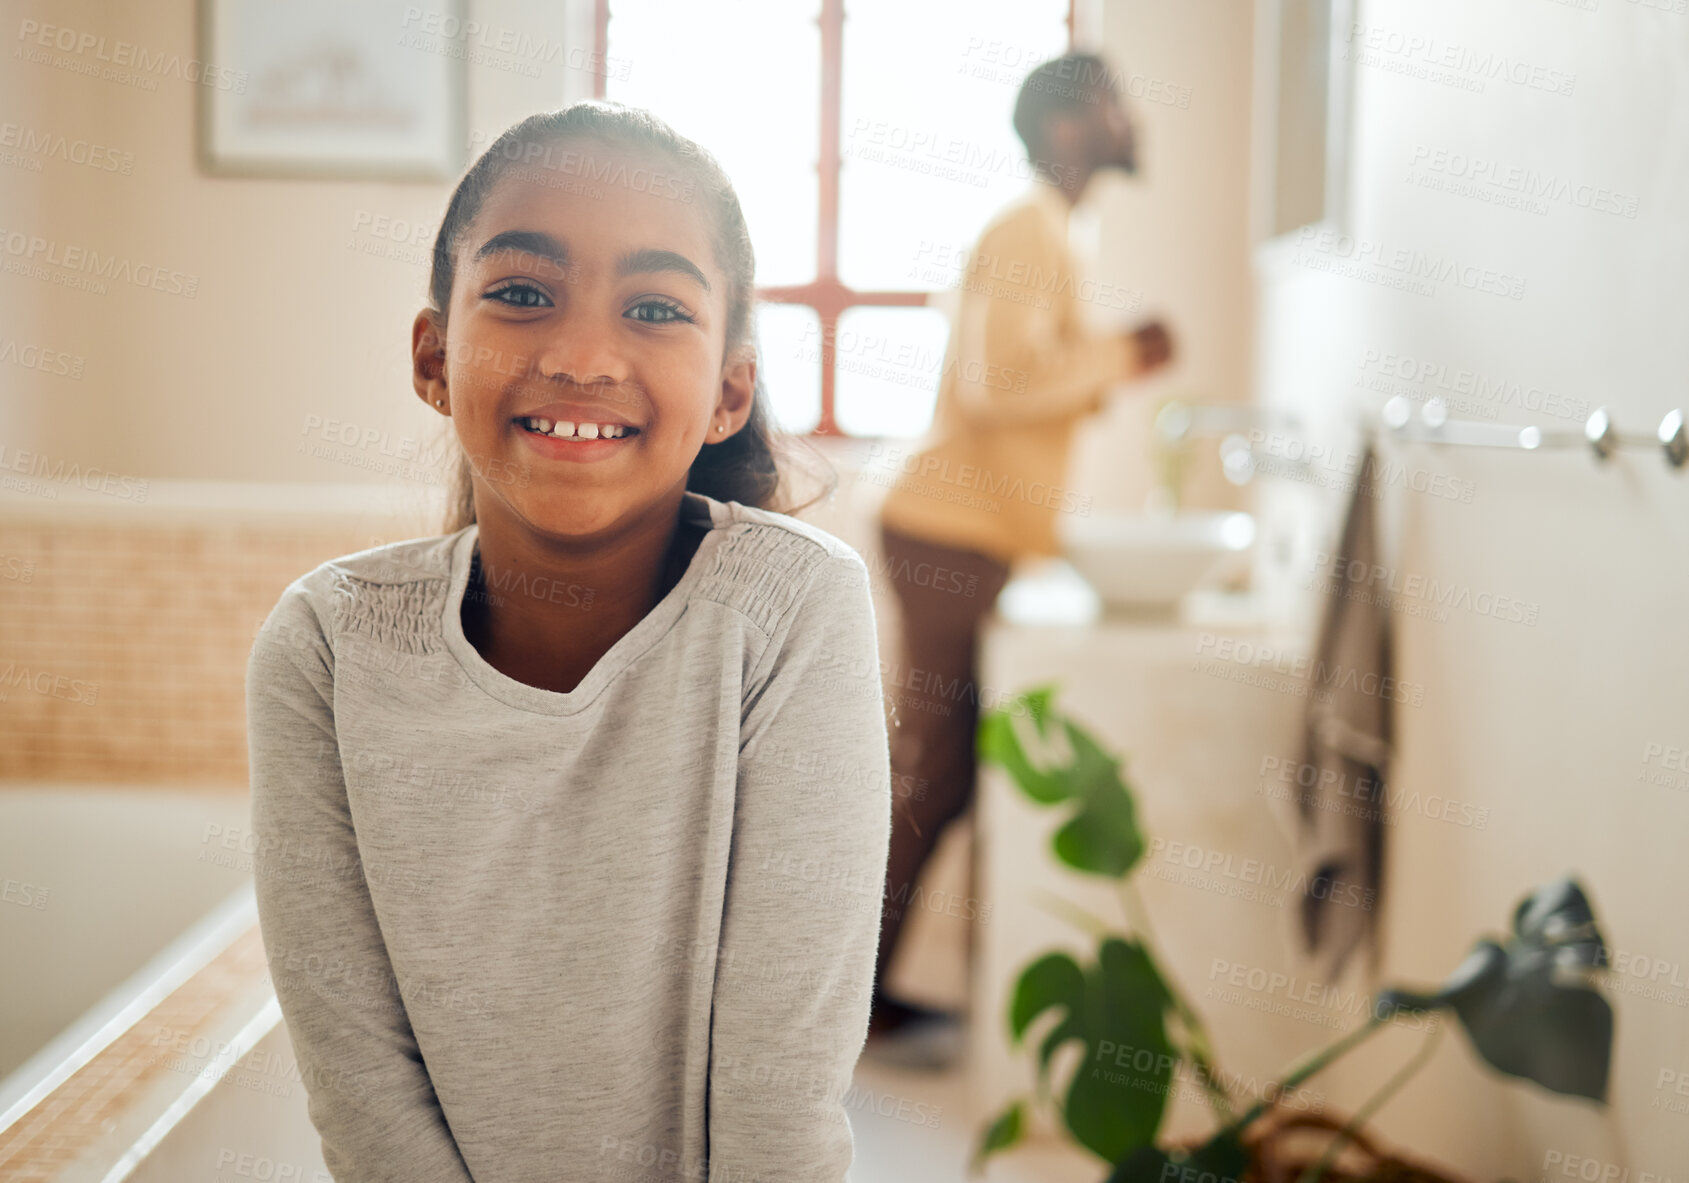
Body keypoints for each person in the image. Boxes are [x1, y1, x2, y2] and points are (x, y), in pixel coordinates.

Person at [247, 100, 892, 1182]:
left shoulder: (791, 613)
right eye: (522, 294)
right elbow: (364, 1100)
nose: (584, 354)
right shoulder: (324, 647)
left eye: (654, 306)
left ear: (731, 389)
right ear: (434, 354)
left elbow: (779, 1109)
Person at [866, 53, 1175, 1062]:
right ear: (1073, 123)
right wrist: (1119, 355)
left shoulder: (1052, 231)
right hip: (947, 531)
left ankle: (856, 994)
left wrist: (1104, 360)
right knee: (933, 774)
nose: (1131, 118)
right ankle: (844, 999)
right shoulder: (1027, 229)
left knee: (942, 775)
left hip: (969, 534)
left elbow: (1022, 377)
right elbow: (999, 383)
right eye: (1114, 102)